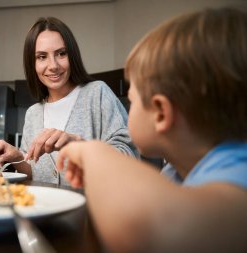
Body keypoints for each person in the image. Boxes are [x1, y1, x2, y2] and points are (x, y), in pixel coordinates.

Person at [57, 7, 247, 253]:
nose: (129, 107)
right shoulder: (175, 172)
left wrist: (93, 152)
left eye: (132, 100)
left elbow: (150, 231)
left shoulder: (239, 171)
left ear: (160, 113)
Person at [0, 17, 138, 185]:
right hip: (44, 208)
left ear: (72, 55)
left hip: (93, 209)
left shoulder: (97, 93)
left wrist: (79, 145)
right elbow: (35, 172)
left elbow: (130, 157)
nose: (53, 65)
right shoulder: (33, 114)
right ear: (32, 64)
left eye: (61, 53)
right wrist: (18, 157)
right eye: (42, 56)